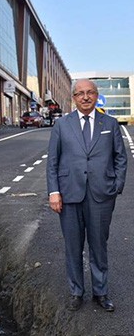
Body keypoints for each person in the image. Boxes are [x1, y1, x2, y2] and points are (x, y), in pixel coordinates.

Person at [46, 79, 127, 313]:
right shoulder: (62, 125)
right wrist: (54, 192)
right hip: (69, 195)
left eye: (90, 92)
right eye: (80, 93)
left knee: (98, 245)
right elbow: (53, 162)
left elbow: (120, 158)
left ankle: (101, 293)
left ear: (96, 95)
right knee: (73, 246)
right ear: (73, 97)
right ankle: (76, 292)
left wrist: (116, 186)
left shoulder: (110, 124)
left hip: (101, 195)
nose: (85, 97)